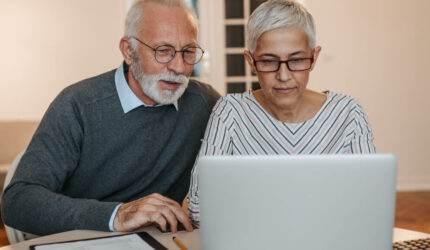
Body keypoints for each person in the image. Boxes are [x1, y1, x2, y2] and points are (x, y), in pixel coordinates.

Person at [2, 0, 220, 235]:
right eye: (163, 51)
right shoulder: (78, 105)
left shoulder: (204, 102)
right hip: (90, 241)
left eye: (188, 52)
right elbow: (18, 201)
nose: (179, 67)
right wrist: (117, 215)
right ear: (129, 51)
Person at [187, 0, 375, 223]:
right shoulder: (230, 112)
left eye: (296, 60)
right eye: (268, 61)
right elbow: (197, 207)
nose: (284, 76)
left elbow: (370, 204)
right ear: (251, 61)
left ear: (314, 57)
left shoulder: (348, 114)